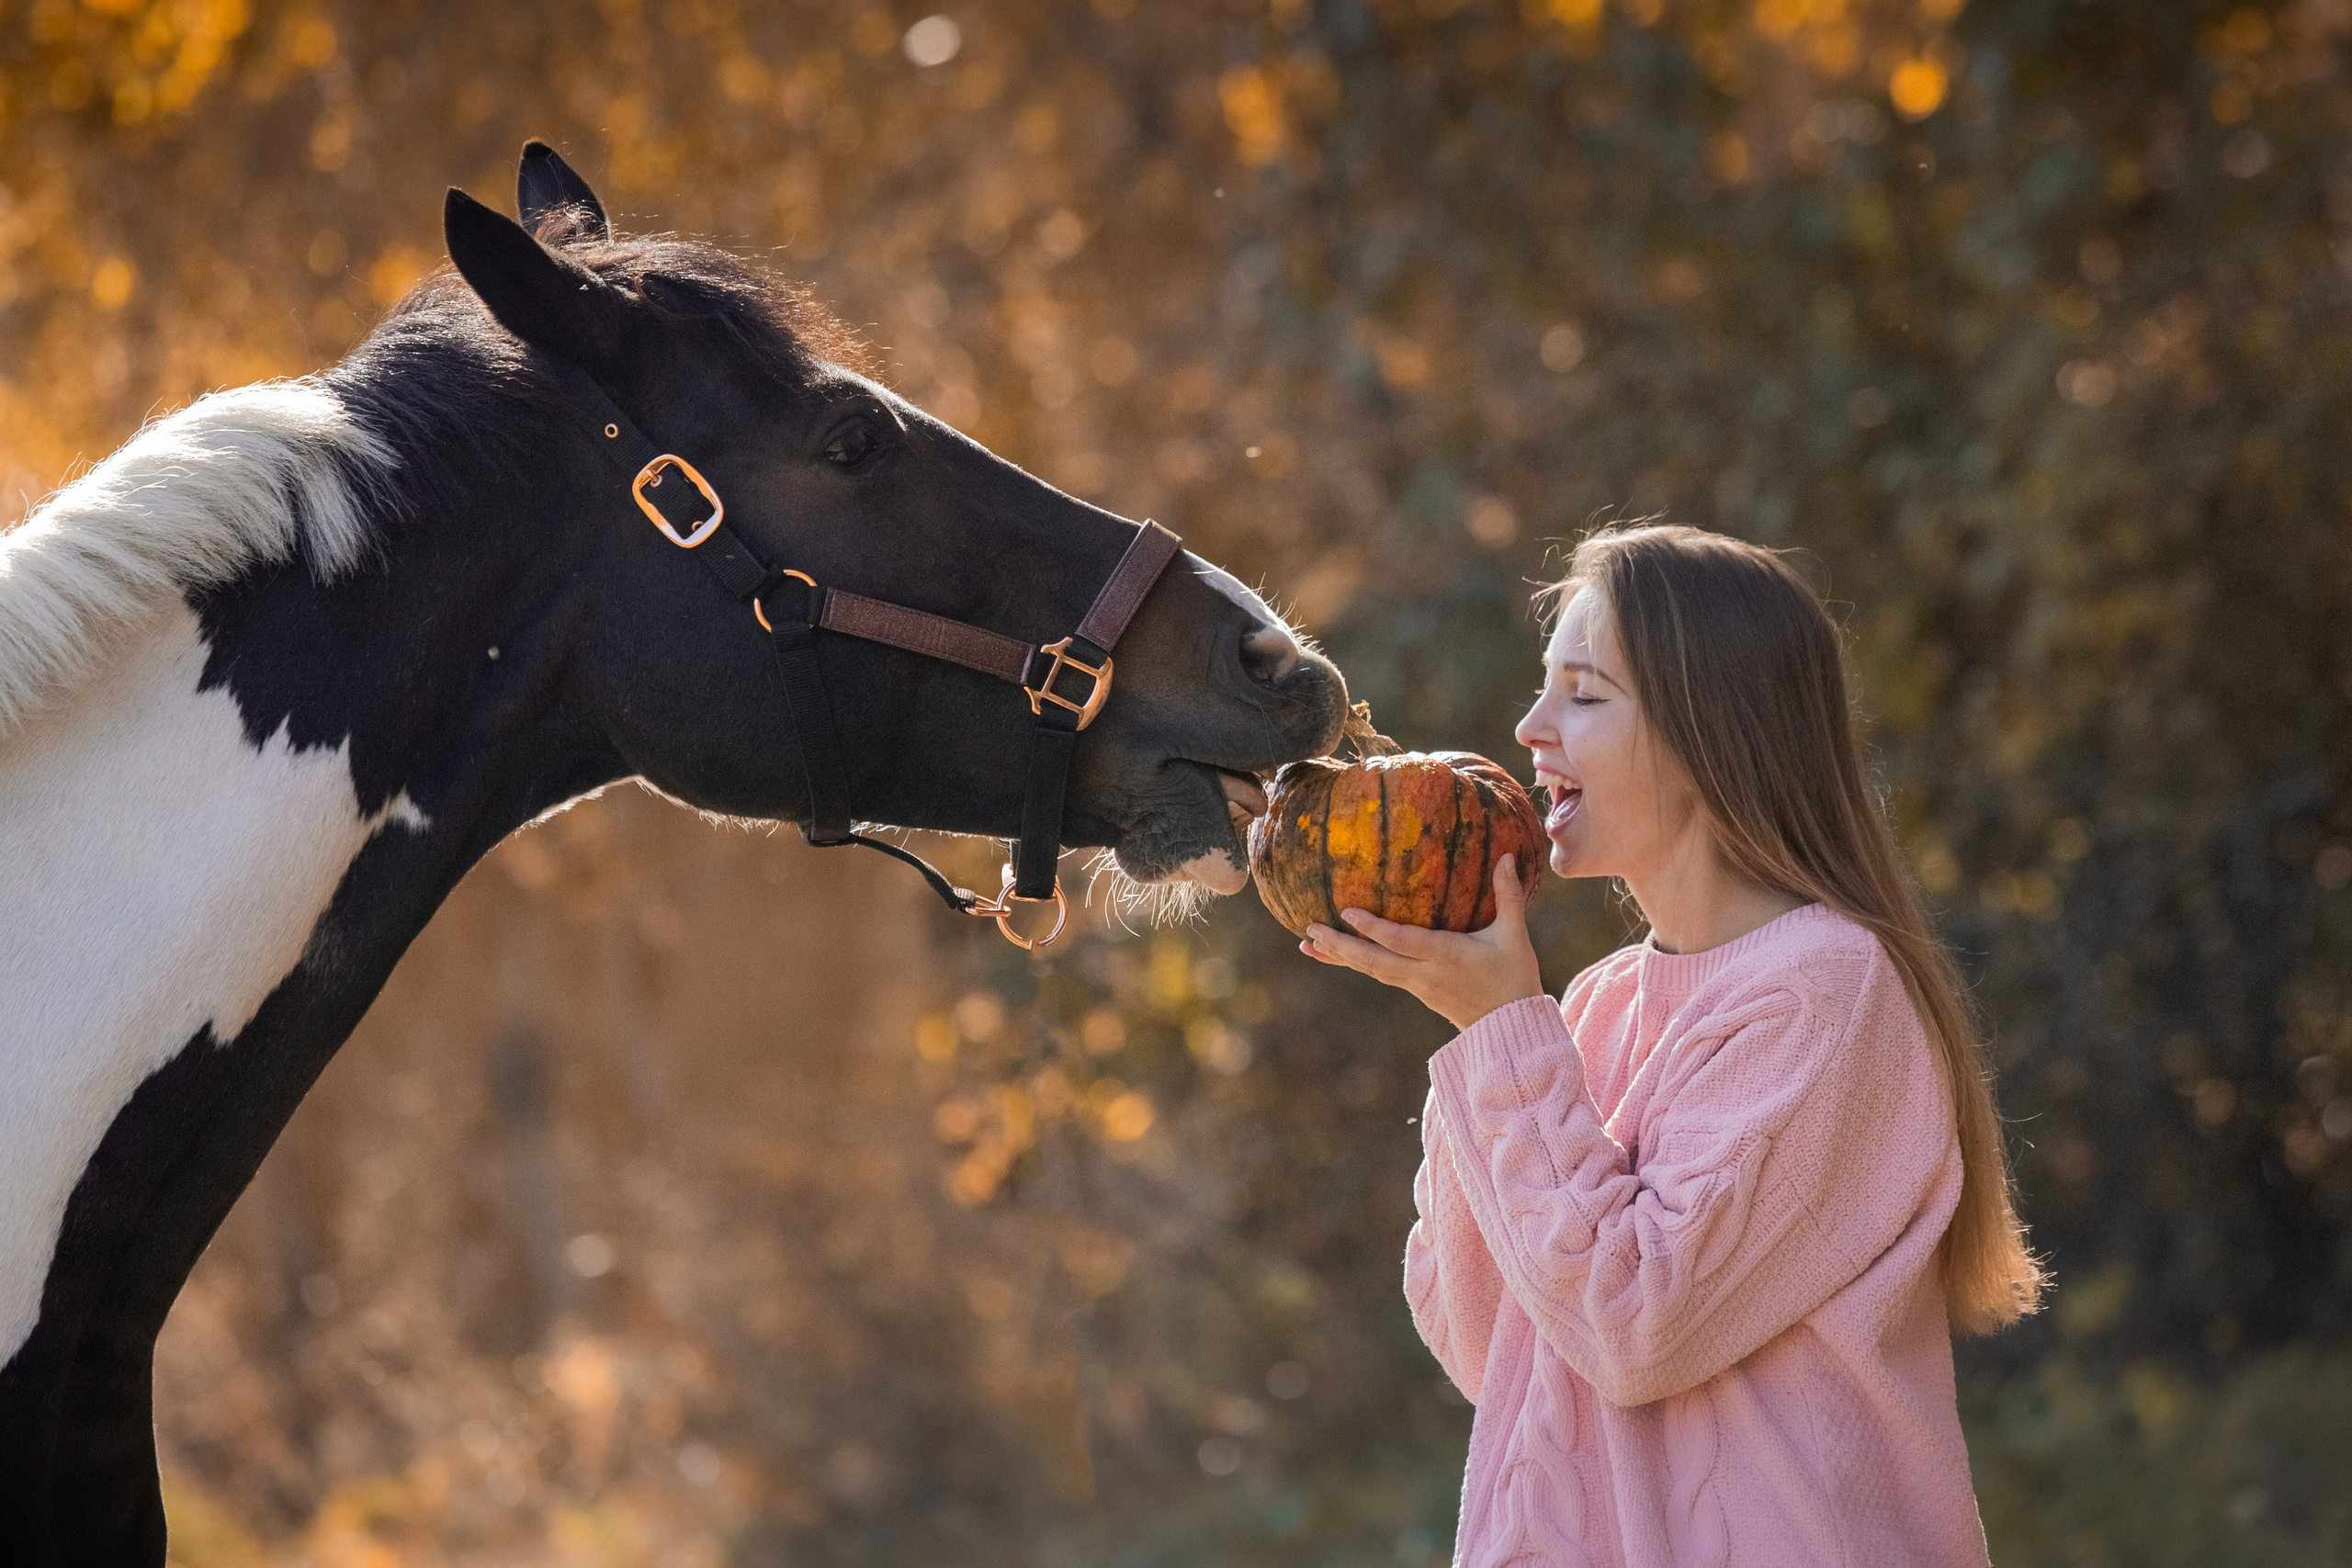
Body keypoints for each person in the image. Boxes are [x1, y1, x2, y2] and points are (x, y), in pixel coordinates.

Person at [1300, 523, 2042, 1567]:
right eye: (1542, 687)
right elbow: (1489, 1344)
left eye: (1585, 694)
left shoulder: (1820, 996)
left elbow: (1631, 1328)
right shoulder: (1593, 1007)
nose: (1528, 727)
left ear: (1711, 733)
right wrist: (1482, 1028)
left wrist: (1501, 1031)